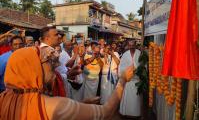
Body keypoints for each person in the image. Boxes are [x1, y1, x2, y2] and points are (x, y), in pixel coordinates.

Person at [0, 47, 134, 120]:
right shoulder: (55, 105)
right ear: (33, 68)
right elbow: (106, 113)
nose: (55, 66)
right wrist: (122, 81)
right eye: (49, 62)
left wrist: (81, 105)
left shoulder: (3, 99)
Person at [119, 39, 142, 118]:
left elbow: (143, 66)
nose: (131, 47)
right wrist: (128, 70)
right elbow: (121, 66)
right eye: (130, 45)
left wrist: (137, 69)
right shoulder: (125, 54)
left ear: (135, 45)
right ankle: (126, 113)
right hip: (128, 80)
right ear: (128, 46)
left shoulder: (139, 54)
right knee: (127, 98)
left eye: (133, 45)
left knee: (135, 99)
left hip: (136, 81)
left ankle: (135, 114)